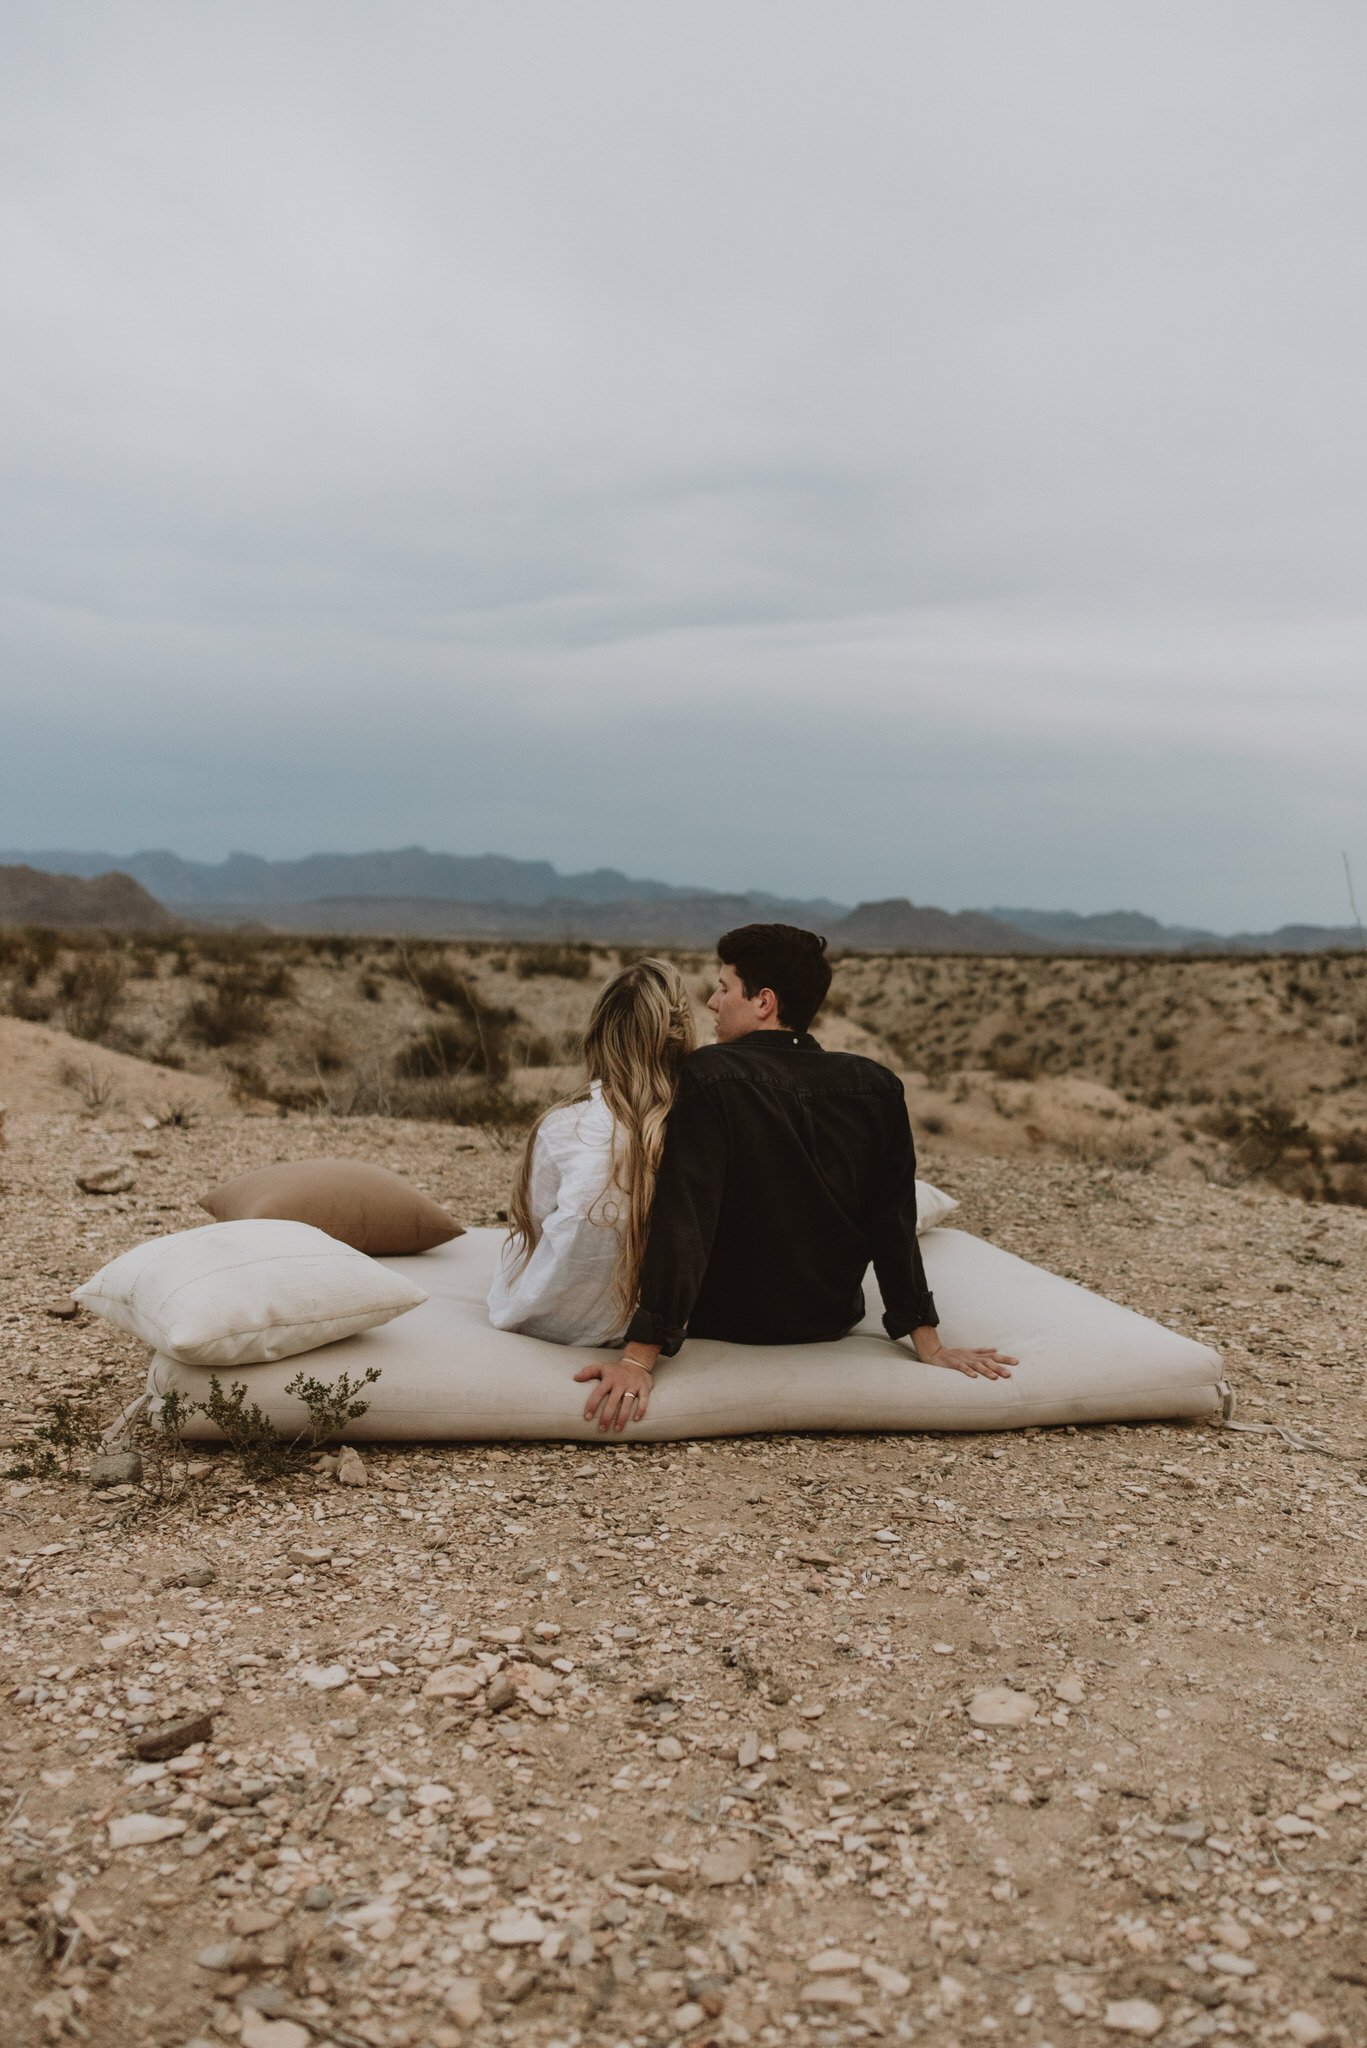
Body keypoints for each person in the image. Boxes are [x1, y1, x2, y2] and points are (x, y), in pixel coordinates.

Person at [576, 923, 1018, 1432]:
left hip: (727, 1321)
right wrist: (930, 1345)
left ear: (764, 1001)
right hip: (826, 1320)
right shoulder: (877, 1086)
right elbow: (892, 1221)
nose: (714, 1003)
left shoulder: (709, 1074)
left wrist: (637, 1358)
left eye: (724, 987)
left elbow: (687, 1215)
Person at [487, 956, 696, 1346]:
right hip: (649, 1329)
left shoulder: (564, 1126)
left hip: (545, 1316)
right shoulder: (700, 1125)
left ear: (598, 1034)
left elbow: (534, 1221)